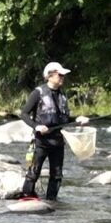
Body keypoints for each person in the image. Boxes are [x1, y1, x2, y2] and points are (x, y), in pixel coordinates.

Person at [19, 62, 89, 201]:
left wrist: (77, 119)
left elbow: (64, 119)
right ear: (49, 76)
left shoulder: (62, 94)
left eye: (63, 75)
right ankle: (26, 197)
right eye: (60, 75)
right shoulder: (38, 93)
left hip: (58, 141)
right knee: (34, 172)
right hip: (41, 141)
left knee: (57, 175)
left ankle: (52, 201)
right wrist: (37, 126)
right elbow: (24, 114)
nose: (62, 77)